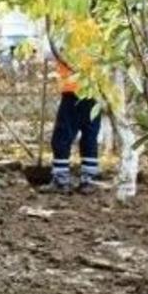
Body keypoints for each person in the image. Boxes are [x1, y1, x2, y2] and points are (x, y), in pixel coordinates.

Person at [46, 51, 100, 195]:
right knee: (90, 135)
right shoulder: (97, 34)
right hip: (96, 91)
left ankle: (61, 180)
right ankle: (88, 180)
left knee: (62, 136)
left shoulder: (68, 33)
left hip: (73, 90)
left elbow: (50, 53)